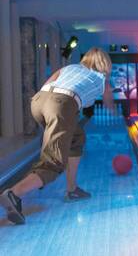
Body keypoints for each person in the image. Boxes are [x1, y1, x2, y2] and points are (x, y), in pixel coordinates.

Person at [0, 47, 114, 225]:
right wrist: (115, 113)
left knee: (76, 138)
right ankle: (14, 194)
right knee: (54, 162)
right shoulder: (101, 79)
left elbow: (48, 85)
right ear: (105, 64)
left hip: (38, 102)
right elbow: (109, 102)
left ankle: (72, 189)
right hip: (61, 104)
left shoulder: (69, 68)